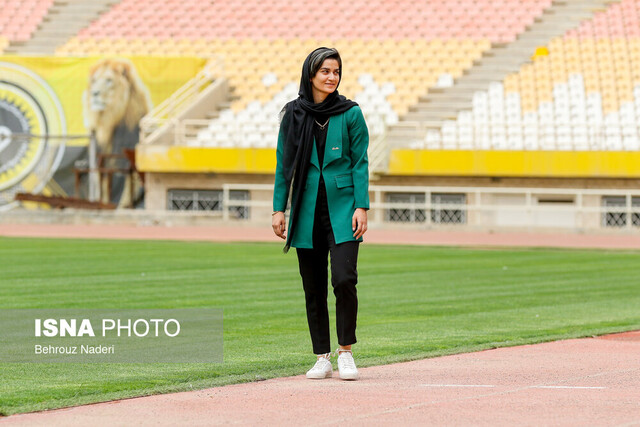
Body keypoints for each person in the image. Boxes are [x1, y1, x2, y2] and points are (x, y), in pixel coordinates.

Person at [272, 47, 369, 380]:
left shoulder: (351, 113)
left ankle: (346, 352)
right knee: (312, 287)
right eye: (325, 71)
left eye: (336, 71)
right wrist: (278, 209)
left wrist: (361, 205)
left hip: (343, 209)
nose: (332, 77)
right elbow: (283, 166)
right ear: (310, 74)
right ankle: (322, 356)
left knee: (344, 279)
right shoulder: (293, 114)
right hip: (305, 207)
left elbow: (360, 162)